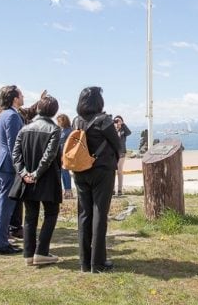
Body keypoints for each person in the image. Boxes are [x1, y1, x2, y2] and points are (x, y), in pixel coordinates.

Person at [72, 86, 121, 273]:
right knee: (100, 213)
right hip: (102, 171)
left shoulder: (77, 121)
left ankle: (84, 262)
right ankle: (98, 262)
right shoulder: (104, 120)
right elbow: (117, 145)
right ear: (98, 102)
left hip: (80, 170)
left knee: (84, 214)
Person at [11, 95, 63, 266]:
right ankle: (41, 252)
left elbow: (16, 154)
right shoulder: (54, 129)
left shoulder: (25, 128)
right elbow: (49, 155)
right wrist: (36, 174)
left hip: (26, 180)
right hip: (47, 178)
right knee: (51, 213)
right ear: (54, 111)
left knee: (30, 217)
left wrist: (24, 173)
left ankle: (28, 254)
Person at [0, 85, 25, 256]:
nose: (23, 96)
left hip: (2, 163)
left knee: (0, 204)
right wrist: (21, 168)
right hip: (9, 166)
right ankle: (1, 243)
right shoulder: (12, 116)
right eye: (21, 94)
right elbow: (14, 145)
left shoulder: (4, 114)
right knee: (5, 204)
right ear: (14, 98)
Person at [56, 113, 74, 199]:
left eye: (59, 121)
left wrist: (64, 155)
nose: (58, 123)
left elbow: (69, 144)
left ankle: (68, 191)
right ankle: (64, 190)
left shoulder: (69, 130)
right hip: (59, 155)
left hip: (65, 154)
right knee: (61, 173)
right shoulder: (61, 130)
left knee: (65, 172)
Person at [113, 115, 131, 196]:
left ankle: (119, 190)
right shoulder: (112, 130)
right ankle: (112, 189)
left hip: (122, 153)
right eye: (116, 121)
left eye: (118, 121)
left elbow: (129, 132)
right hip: (113, 154)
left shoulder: (123, 130)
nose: (117, 122)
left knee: (119, 171)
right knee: (112, 172)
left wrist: (122, 124)